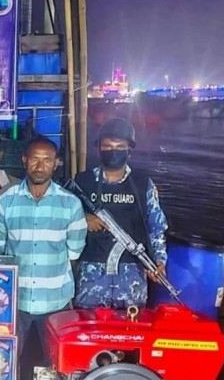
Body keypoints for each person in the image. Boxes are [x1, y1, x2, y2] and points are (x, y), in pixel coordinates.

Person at [0, 136, 87, 371]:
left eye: (47, 160)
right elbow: (0, 251)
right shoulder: (5, 201)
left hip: (56, 300)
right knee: (4, 363)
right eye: (35, 159)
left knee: (56, 366)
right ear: (24, 160)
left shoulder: (70, 204)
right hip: (15, 300)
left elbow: (74, 253)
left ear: (56, 163)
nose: (40, 166)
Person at [67, 117, 169, 309]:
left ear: (129, 150)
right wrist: (83, 219)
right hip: (91, 274)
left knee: (131, 324)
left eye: (120, 147)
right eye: (108, 146)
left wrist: (159, 261)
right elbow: (62, 218)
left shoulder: (142, 184)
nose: (113, 151)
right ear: (99, 148)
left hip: (132, 276)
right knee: (89, 324)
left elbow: (156, 227)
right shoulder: (82, 182)